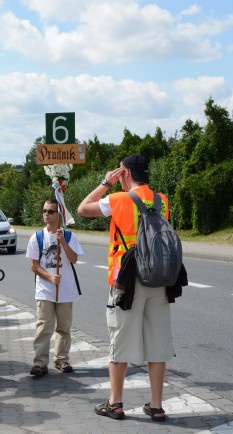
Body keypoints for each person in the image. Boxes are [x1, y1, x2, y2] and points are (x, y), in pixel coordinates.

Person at [77, 154, 175, 422]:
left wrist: (105, 182)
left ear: (125, 173)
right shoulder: (161, 200)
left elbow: (83, 209)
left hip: (126, 281)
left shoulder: (118, 200)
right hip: (158, 277)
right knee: (157, 343)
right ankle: (156, 406)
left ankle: (115, 403)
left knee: (119, 342)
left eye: (121, 172)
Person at [26, 198, 83, 377]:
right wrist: (50, 276)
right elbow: (34, 266)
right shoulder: (37, 237)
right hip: (45, 288)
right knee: (44, 326)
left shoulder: (69, 236)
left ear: (59, 214)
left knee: (64, 327)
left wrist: (62, 242)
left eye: (50, 211)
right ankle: (40, 363)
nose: (46, 215)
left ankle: (61, 359)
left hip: (65, 288)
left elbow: (74, 259)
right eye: (44, 211)